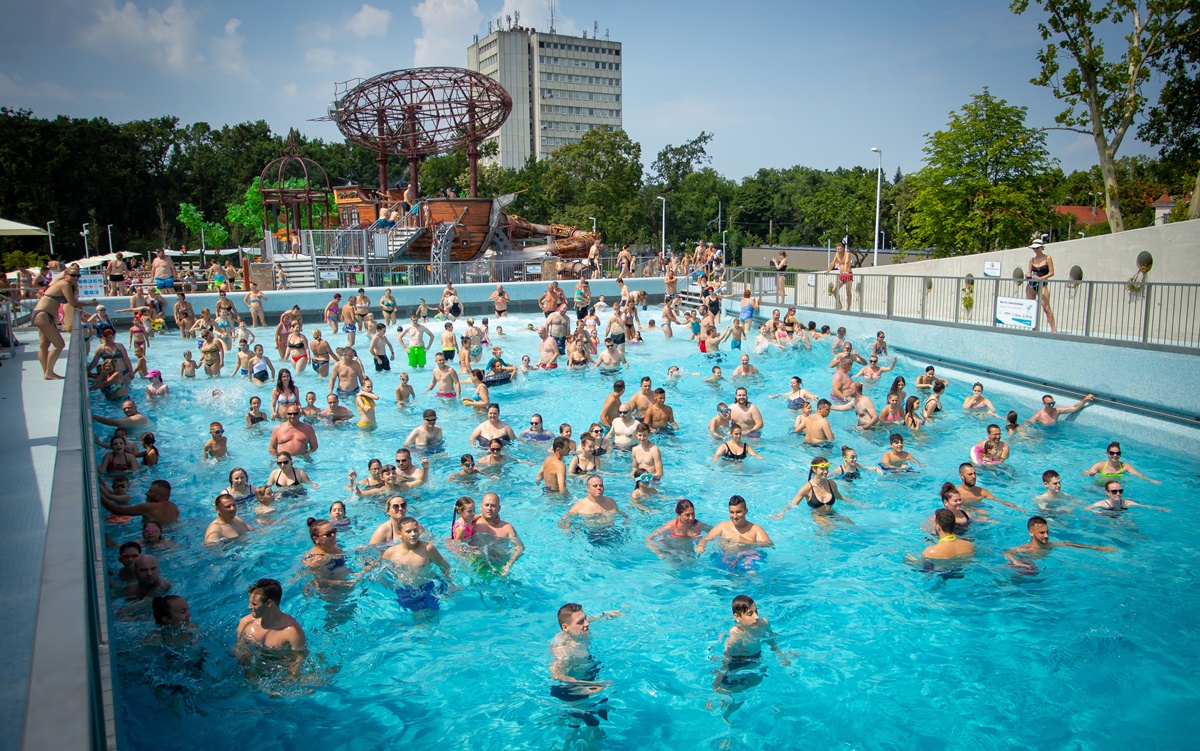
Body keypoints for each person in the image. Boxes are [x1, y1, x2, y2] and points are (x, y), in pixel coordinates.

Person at [712, 594, 791, 698]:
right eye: (750, 614)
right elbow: (726, 657)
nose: (756, 617)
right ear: (737, 617)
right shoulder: (735, 635)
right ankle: (714, 692)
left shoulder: (764, 624)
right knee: (722, 688)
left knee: (758, 679)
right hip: (737, 659)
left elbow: (770, 638)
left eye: (756, 611)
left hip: (756, 656)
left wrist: (778, 653)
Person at [549, 603, 622, 707]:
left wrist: (604, 614)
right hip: (574, 688)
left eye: (585, 618)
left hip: (588, 670)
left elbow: (588, 620)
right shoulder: (564, 649)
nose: (586, 623)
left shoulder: (578, 631)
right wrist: (588, 685)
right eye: (580, 622)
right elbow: (556, 674)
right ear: (565, 627)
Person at [32, 263, 97, 379]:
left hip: (42, 314)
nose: (76, 278)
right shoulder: (64, 284)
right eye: (73, 275)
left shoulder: (66, 284)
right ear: (65, 275)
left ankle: (46, 372)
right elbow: (73, 303)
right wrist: (91, 303)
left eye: (78, 276)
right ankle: (49, 372)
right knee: (59, 344)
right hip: (44, 315)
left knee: (44, 344)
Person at [382, 517, 455, 613]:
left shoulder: (428, 549)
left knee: (431, 614)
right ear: (400, 534)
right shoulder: (391, 553)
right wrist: (389, 586)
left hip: (426, 587)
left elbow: (445, 566)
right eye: (408, 531)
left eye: (415, 530)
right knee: (415, 615)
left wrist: (449, 583)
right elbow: (383, 571)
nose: (413, 534)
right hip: (404, 590)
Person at [235, 578, 307, 675]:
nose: (249, 607)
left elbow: (300, 659)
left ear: (269, 603)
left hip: (281, 670)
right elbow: (241, 651)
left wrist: (289, 680)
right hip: (257, 665)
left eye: (254, 604)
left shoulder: (291, 631)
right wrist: (248, 674)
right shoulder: (245, 623)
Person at [1004, 516, 1115, 569]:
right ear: (1031, 533)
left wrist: (1096, 548)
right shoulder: (1026, 548)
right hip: (1023, 566)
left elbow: (1069, 543)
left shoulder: (1050, 545)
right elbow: (1007, 553)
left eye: (1047, 532)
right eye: (1042, 533)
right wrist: (1017, 563)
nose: (1046, 536)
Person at [696, 496, 773, 572]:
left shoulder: (755, 529)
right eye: (732, 512)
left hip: (747, 558)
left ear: (746, 511)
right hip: (726, 557)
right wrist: (701, 545)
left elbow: (769, 544)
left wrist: (747, 541)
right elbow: (705, 539)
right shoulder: (722, 527)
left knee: (752, 573)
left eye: (738, 512)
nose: (735, 516)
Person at [771, 457, 850, 520]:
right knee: (830, 528)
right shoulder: (807, 488)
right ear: (814, 469)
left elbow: (839, 497)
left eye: (827, 468)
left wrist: (857, 503)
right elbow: (793, 503)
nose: (826, 472)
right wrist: (780, 514)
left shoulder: (831, 484)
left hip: (832, 513)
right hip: (818, 516)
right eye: (822, 469)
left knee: (850, 524)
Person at [471, 492, 524, 575]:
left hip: (500, 567)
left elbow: (519, 548)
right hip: (477, 567)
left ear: (499, 508)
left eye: (493, 506)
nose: (489, 508)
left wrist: (508, 565)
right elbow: (456, 541)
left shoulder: (507, 528)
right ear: (481, 507)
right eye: (486, 505)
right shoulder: (472, 525)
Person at [645, 499, 711, 556]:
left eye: (693, 513)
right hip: (670, 551)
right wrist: (659, 553)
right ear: (678, 515)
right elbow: (649, 539)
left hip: (688, 551)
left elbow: (714, 532)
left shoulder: (698, 525)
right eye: (687, 515)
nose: (691, 518)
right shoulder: (670, 526)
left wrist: (701, 544)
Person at [559, 474, 623, 529]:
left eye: (601, 485)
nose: (598, 488)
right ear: (588, 489)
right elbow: (563, 521)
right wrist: (568, 529)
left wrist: (626, 522)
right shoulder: (579, 506)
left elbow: (621, 514)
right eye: (595, 486)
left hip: (612, 531)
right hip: (592, 534)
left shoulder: (611, 502)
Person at [1082, 441, 1161, 484]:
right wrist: (1089, 473)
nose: (1115, 455)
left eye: (1118, 453)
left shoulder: (1124, 466)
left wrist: (1151, 480)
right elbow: (1084, 473)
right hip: (1099, 487)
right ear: (1107, 454)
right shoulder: (1100, 465)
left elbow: (1138, 475)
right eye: (1112, 453)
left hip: (1115, 491)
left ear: (1120, 454)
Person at [1025, 240, 1057, 333]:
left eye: (1037, 248)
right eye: (1033, 248)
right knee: (1032, 307)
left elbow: (1052, 273)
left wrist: (1041, 278)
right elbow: (1029, 272)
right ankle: (1033, 327)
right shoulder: (1032, 260)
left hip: (1042, 285)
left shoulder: (1048, 258)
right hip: (1032, 285)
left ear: (1041, 247)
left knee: (1046, 308)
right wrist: (1027, 276)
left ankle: (1054, 329)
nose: (1035, 250)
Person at [1088, 480, 1170, 513]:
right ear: (1107, 492)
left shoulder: (1126, 503)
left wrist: (1158, 508)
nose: (1118, 493)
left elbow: (1143, 506)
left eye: (1120, 491)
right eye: (1114, 491)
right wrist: (1097, 512)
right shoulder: (1102, 504)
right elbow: (1086, 508)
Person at [1026, 393, 1095, 426]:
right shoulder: (1039, 415)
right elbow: (1027, 424)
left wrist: (1085, 399)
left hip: (1054, 433)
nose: (1052, 405)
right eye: (1049, 404)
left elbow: (1074, 408)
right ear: (1044, 404)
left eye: (1053, 403)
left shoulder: (1057, 411)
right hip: (1043, 434)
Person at [825, 242, 854, 310]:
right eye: (838, 249)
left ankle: (848, 308)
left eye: (840, 249)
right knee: (834, 289)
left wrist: (845, 271)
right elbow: (833, 263)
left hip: (848, 274)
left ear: (843, 249)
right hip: (841, 275)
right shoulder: (837, 254)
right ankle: (839, 305)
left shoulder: (847, 254)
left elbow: (846, 262)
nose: (839, 251)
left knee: (848, 292)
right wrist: (828, 271)